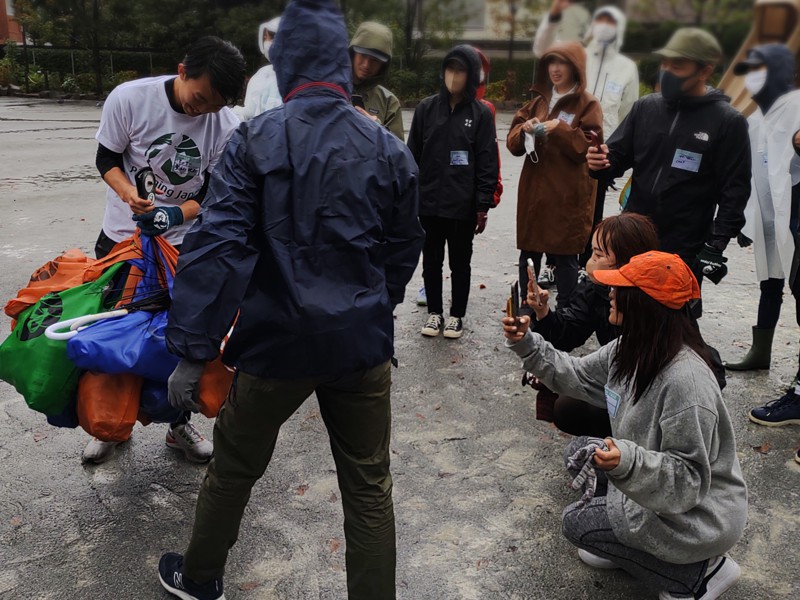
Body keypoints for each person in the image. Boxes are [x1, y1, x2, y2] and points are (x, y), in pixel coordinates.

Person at [156, 1, 424, 598]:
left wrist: (192, 350)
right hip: (360, 345)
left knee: (233, 468)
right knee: (367, 486)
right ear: (341, 63)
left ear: (286, 62)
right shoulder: (385, 146)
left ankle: (200, 578)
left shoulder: (256, 138)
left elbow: (217, 245)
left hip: (275, 343)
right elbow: (405, 245)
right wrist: (379, 306)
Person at [503, 251, 747, 600]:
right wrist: (526, 343)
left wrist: (627, 461)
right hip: (659, 487)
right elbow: (574, 375)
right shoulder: (629, 349)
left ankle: (699, 575)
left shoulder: (685, 382)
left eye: (620, 289)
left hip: (700, 515)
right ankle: (632, 544)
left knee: (577, 523)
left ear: (646, 304)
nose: (611, 295)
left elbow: (689, 479)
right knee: (579, 452)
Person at [86, 36, 246, 465]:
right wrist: (130, 198)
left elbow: (214, 189)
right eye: (199, 98)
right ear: (182, 71)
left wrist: (175, 216)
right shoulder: (130, 99)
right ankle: (110, 423)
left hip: (184, 250)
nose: (203, 110)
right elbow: (107, 158)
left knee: (179, 343)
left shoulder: (225, 124)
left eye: (214, 104)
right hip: (124, 242)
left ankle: (178, 424)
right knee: (114, 336)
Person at [587, 28, 751, 290]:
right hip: (634, 236)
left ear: (705, 71)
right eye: (665, 63)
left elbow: (735, 190)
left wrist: (715, 244)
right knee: (624, 309)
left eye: (678, 65)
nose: (667, 71)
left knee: (673, 320)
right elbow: (615, 158)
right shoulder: (645, 108)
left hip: (684, 246)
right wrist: (598, 164)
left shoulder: (728, 122)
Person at [525, 213, 659, 438]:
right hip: (620, 376)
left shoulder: (656, 297)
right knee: (567, 406)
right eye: (591, 251)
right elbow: (568, 335)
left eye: (598, 254)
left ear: (629, 259)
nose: (589, 262)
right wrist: (542, 312)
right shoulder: (596, 288)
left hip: (651, 390)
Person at [534, 3, 639, 270]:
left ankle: (585, 265)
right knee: (559, 206)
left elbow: (629, 111)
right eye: (600, 20)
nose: (605, 27)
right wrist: (554, 16)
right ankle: (552, 265)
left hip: (602, 152)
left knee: (591, 211)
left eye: (611, 22)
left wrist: (617, 151)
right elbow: (543, 49)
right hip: (568, 143)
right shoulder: (577, 55)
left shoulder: (627, 68)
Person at [408, 45, 499, 339]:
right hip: (430, 203)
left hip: (462, 205)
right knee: (431, 260)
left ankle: (456, 315)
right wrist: (411, 197)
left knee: (460, 262)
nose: (453, 76)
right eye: (450, 69)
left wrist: (482, 204)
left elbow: (486, 161)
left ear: (471, 75)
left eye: (460, 70)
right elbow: (412, 156)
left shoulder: (480, 114)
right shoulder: (425, 109)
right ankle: (434, 312)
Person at [507, 41, 602, 309]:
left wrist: (558, 128)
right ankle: (528, 306)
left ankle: (568, 313)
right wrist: (524, 129)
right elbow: (513, 143)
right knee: (529, 255)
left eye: (562, 63)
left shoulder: (588, 104)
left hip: (568, 196)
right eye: (551, 62)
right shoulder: (538, 101)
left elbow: (588, 146)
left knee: (565, 258)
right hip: (535, 196)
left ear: (576, 68)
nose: (556, 69)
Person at [725, 44, 800, 371]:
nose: (752, 79)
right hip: (769, 216)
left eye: (760, 70)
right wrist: (745, 220)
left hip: (795, 214)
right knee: (770, 281)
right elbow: (751, 172)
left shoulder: (797, 105)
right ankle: (761, 351)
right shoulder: (755, 118)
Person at [349, 21, 404, 139]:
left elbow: (398, 153)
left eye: (375, 60)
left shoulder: (389, 102)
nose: (366, 65)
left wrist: (377, 129)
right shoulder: (329, 90)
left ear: (383, 65)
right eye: (362, 55)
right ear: (352, 54)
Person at [232, 16, 282, 120]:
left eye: (271, 37)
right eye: (267, 38)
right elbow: (250, 113)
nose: (267, 42)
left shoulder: (303, 79)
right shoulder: (262, 75)